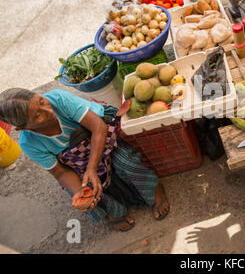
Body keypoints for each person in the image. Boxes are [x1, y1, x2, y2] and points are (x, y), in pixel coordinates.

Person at [0, 88, 170, 231]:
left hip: (101, 137)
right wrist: (80, 193)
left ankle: (154, 191)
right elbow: (60, 172)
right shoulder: (29, 144)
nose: (48, 111)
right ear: (23, 128)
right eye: (37, 116)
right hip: (75, 162)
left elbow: (98, 127)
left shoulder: (59, 99)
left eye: (42, 101)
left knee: (126, 161)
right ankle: (114, 213)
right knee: (85, 192)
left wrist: (91, 169)